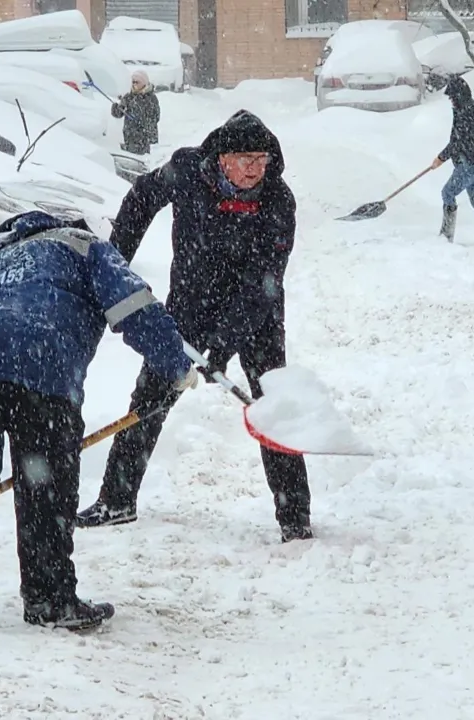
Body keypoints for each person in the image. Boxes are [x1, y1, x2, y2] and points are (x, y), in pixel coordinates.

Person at [0, 210, 198, 631]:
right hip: (39, 355)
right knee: (44, 481)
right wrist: (176, 365)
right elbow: (136, 308)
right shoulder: (86, 246)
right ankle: (48, 598)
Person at [76, 109, 313, 543]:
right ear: (222, 158)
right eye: (245, 159)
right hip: (190, 304)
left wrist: (220, 348)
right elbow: (142, 197)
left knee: (272, 402)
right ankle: (117, 498)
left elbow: (262, 286)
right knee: (150, 397)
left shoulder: (278, 201)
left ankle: (294, 516)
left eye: (260, 159)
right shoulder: (187, 170)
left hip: (255, 314)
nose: (254, 169)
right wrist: (115, 262)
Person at [429, 76, 474, 244]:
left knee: (448, 192)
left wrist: (440, 158)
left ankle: (446, 236)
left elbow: (458, 142)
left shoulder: (466, 111)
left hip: (472, 163)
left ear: (458, 95)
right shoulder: (468, 108)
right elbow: (458, 140)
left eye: (452, 97)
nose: (451, 100)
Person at [110, 71, 161, 156]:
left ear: (144, 83)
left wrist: (140, 120)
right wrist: (116, 109)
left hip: (145, 139)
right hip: (130, 136)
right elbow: (119, 114)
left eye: (137, 82)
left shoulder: (151, 98)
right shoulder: (129, 97)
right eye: (132, 82)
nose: (134, 84)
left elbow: (155, 117)